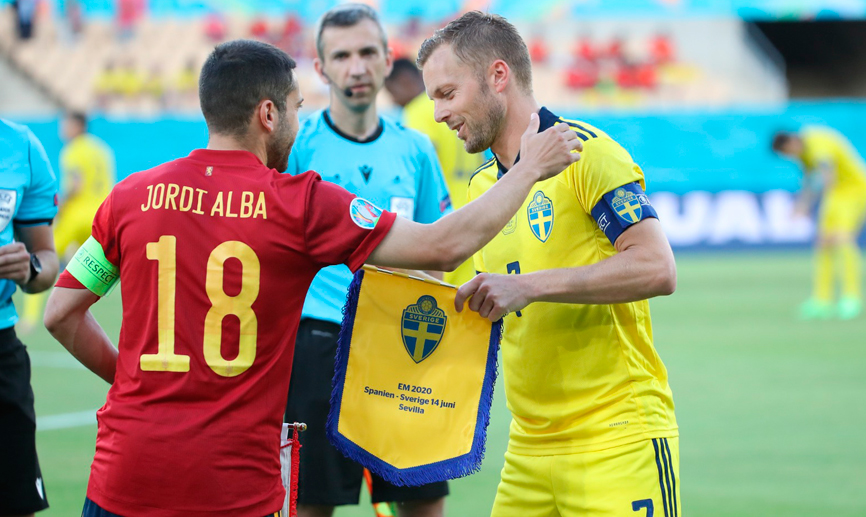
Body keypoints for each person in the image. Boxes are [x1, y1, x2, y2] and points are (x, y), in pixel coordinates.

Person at [42, 39, 581, 517]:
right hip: (232, 489)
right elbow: (443, 244)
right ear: (269, 114)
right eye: (298, 108)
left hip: (123, 477)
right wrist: (528, 168)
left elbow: (60, 312)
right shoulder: (298, 205)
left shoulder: (131, 197)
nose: (300, 123)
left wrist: (134, 382)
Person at [417, 12, 679, 516]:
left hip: (616, 439)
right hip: (527, 452)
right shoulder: (481, 189)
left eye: (447, 94)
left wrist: (530, 286)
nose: (438, 113)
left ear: (499, 77)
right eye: (433, 98)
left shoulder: (588, 153)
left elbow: (656, 268)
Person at [283, 6, 452, 517]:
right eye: (341, 55)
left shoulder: (417, 150)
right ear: (321, 69)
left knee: (421, 505)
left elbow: (437, 252)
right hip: (317, 345)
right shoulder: (296, 147)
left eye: (366, 53)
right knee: (310, 506)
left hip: (401, 342)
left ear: (386, 60)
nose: (355, 67)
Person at [0, 118, 61, 517]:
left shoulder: (21, 146)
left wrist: (30, 270)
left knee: (14, 502)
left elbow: (47, 259)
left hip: (2, 352)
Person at [384, 58, 486, 286]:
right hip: (477, 215)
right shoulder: (459, 107)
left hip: (443, 224)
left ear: (405, 81)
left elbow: (419, 168)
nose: (393, 101)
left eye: (392, 92)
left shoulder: (418, 111)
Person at [21, 111, 114, 331]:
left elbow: (76, 184)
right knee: (101, 268)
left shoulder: (72, 150)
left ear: (77, 126)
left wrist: (59, 207)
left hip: (76, 215)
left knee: (41, 257)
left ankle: (30, 317)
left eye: (66, 123)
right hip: (100, 215)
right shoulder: (102, 149)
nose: (62, 127)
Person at [773, 128, 866, 320]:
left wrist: (814, 200)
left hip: (854, 191)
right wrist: (802, 205)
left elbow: (827, 173)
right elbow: (809, 179)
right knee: (823, 243)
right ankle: (822, 300)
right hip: (835, 195)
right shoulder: (803, 154)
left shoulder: (816, 141)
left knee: (842, 240)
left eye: (787, 153)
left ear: (791, 143)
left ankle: (852, 297)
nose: (790, 157)